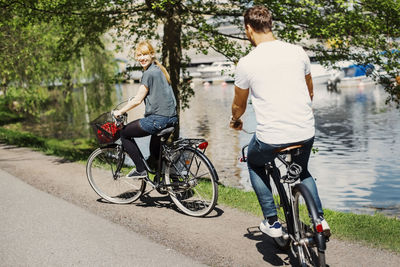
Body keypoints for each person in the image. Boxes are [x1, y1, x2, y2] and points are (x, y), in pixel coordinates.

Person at [230, 5, 330, 238]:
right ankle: (321, 221)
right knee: (302, 169)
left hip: (271, 137)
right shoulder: (298, 52)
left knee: (254, 162)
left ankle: (272, 221)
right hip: (305, 130)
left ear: (248, 29)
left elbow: (239, 105)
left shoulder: (246, 62)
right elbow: (310, 90)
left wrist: (235, 120)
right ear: (270, 25)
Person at [113, 40, 178, 178]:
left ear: (152, 55)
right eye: (139, 55)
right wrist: (133, 100)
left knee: (124, 133)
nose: (142, 58)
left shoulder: (148, 73)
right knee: (155, 150)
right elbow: (153, 94)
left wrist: (120, 111)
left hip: (158, 119)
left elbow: (138, 100)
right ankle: (169, 178)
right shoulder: (160, 70)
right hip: (171, 118)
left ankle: (140, 170)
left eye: (145, 54)